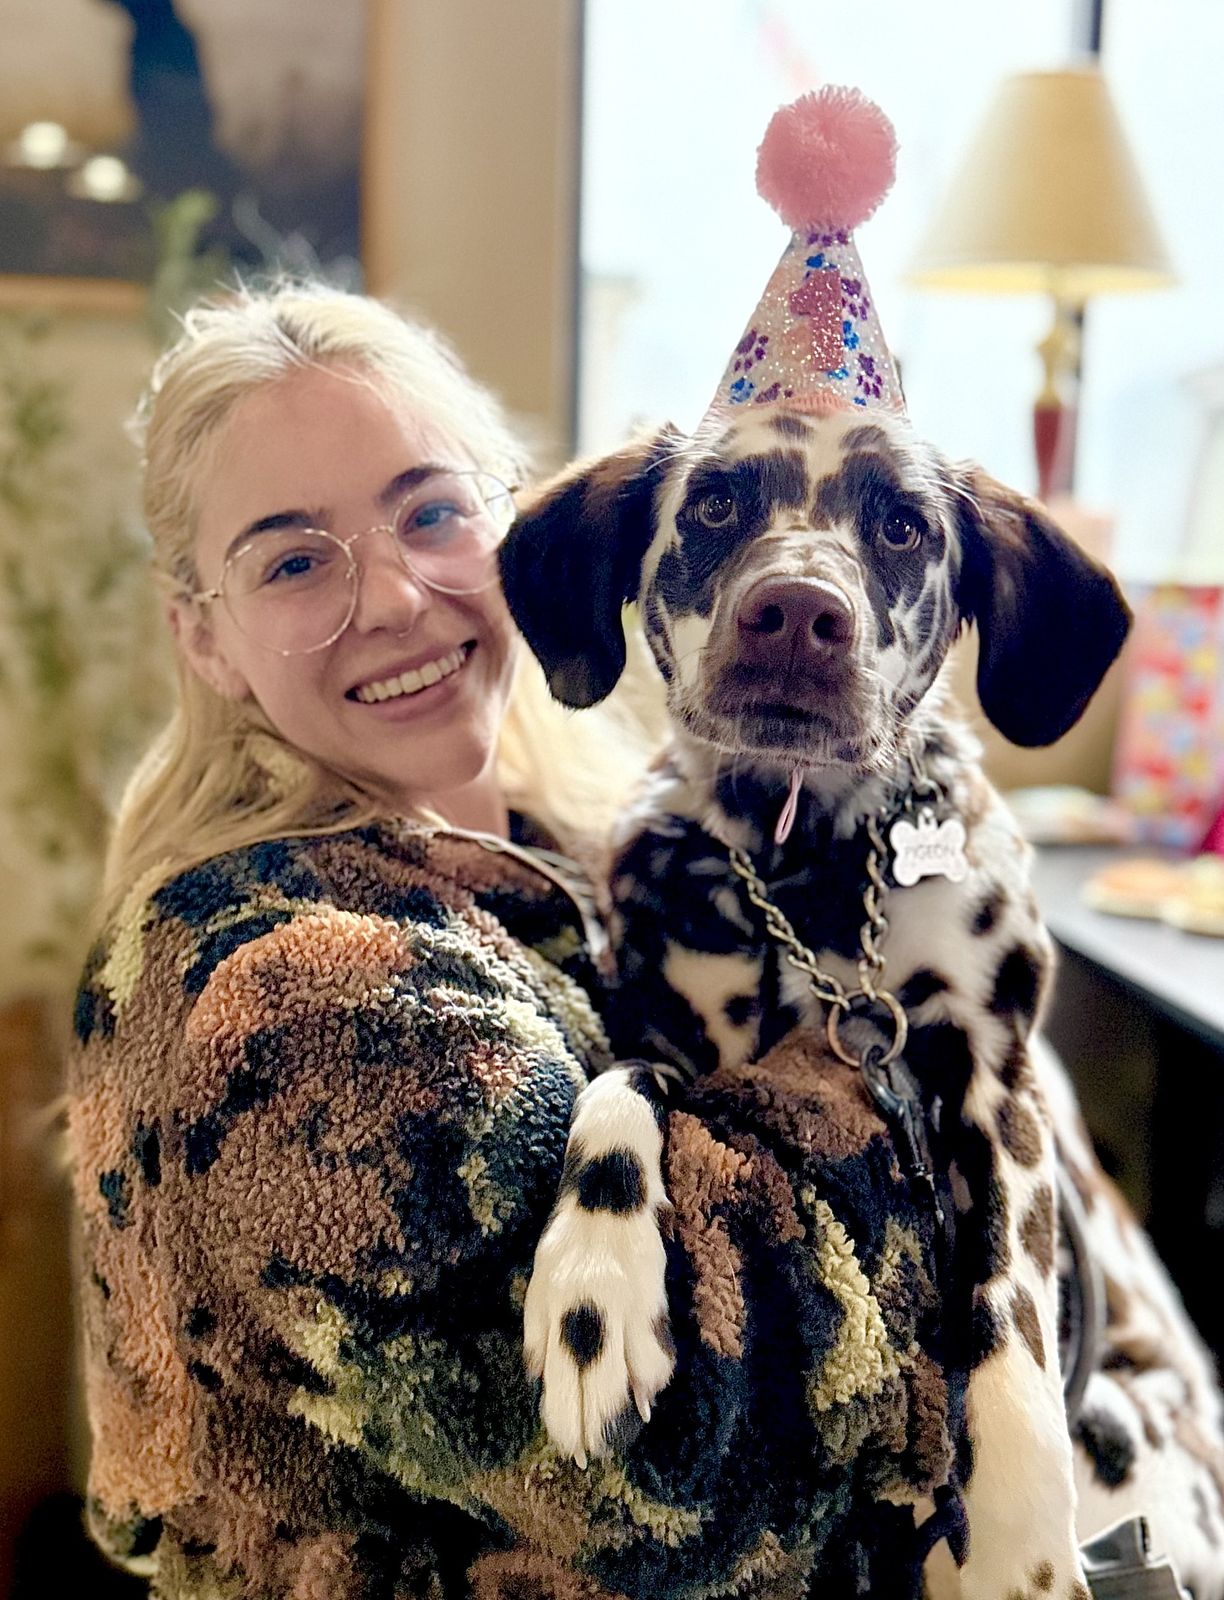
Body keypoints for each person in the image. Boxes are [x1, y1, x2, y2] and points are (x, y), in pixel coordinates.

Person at [60, 282, 1000, 1600]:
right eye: (294, 560)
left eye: (430, 513)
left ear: (511, 528)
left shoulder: (589, 853)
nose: (395, 598)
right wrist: (921, 1058)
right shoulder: (278, 987)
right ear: (204, 638)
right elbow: (668, 1478)